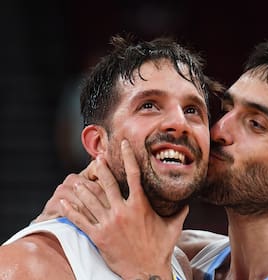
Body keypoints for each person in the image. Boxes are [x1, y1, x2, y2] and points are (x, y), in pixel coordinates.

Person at [33, 40, 268, 279]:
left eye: (255, 124)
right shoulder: (190, 257)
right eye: (228, 109)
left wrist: (149, 274)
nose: (218, 130)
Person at [0, 34, 220, 280]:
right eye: (149, 105)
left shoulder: (178, 264)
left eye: (192, 110)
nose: (180, 123)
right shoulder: (28, 266)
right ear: (97, 143)